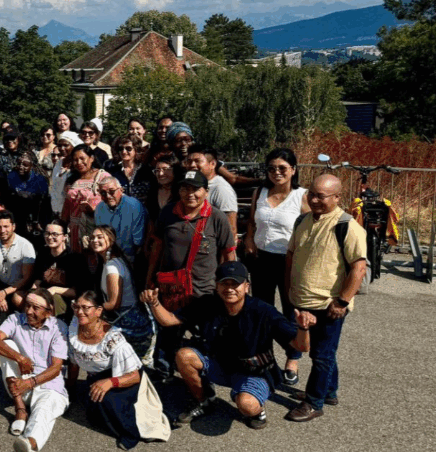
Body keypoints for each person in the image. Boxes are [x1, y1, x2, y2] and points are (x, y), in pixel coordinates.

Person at [142, 262, 314, 430]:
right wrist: (155, 303)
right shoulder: (208, 303)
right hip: (221, 364)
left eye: (235, 284)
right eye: (224, 283)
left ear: (247, 286)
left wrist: (303, 328)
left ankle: (256, 412)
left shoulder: (263, 312)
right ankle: (204, 401)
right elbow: (169, 320)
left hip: (254, 372)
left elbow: (301, 347)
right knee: (184, 355)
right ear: (217, 286)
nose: (229, 288)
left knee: (246, 405)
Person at [285, 174, 368, 422]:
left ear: (337, 197)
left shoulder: (347, 226)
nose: (314, 199)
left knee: (321, 354)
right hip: (302, 299)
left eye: (321, 196)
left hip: (329, 304)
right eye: (311, 193)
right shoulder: (303, 220)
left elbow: (359, 267)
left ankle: (314, 402)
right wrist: (290, 289)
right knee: (324, 353)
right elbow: (291, 254)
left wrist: (342, 301)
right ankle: (329, 392)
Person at [145, 169, 236, 375]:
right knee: (167, 332)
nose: (190, 194)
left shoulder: (217, 217)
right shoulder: (168, 213)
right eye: (185, 189)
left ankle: (200, 376)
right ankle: (164, 370)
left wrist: (230, 288)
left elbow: (229, 255)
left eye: (196, 189)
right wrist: (150, 278)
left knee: (204, 336)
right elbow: (157, 249)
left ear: (206, 191)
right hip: (171, 289)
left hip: (204, 292)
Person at [66, 290, 168, 450]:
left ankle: (131, 434)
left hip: (123, 376)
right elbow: (74, 362)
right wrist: (70, 390)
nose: (79, 312)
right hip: (96, 377)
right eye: (76, 307)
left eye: (86, 308)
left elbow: (135, 376)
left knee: (108, 401)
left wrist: (110, 382)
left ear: (99, 310)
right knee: (93, 404)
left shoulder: (114, 340)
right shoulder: (74, 327)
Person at [244, 148, 309, 386]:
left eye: (282, 168)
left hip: (288, 261)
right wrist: (249, 239)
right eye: (271, 168)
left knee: (290, 312)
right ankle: (265, 356)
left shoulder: (302, 196)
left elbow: (311, 229)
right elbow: (251, 222)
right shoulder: (260, 192)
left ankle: (293, 358)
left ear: (293, 170)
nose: (276, 173)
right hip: (261, 259)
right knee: (262, 310)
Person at [0, 289, 68, 452]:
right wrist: (19, 358)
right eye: (27, 306)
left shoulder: (59, 327)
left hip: (47, 386)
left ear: (49, 311)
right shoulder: (15, 319)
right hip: (18, 387)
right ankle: (20, 409)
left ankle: (26, 446)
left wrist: (30, 382)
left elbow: (56, 368)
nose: (29, 311)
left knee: (43, 414)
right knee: (5, 344)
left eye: (35, 308)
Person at [89, 226, 154, 365]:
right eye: (92, 237)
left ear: (111, 240)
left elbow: (113, 304)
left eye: (100, 237)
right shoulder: (114, 261)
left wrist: (91, 309)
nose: (95, 240)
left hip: (128, 324)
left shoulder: (112, 267)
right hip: (131, 318)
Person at [61, 144, 112, 258]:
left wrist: (93, 211)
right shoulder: (72, 179)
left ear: (92, 158)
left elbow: (113, 205)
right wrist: (61, 226)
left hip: (96, 231)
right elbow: (66, 207)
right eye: (75, 160)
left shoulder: (103, 177)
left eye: (82, 158)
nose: (79, 162)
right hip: (75, 231)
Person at [29, 221, 82, 315]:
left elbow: (76, 291)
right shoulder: (42, 254)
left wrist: (54, 289)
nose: (50, 237)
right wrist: (32, 294)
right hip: (44, 295)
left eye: (55, 234)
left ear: (64, 237)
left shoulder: (74, 259)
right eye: (47, 233)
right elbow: (37, 280)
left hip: (65, 300)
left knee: (54, 299)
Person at [185, 145, 238, 236]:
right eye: (189, 162)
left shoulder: (221, 188)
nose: (192, 165)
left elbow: (230, 229)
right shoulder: (189, 185)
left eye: (197, 161)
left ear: (212, 164)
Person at [93, 177, 147, 264]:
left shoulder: (134, 206)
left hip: (132, 257)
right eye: (103, 193)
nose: (108, 196)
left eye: (112, 191)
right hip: (108, 256)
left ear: (121, 190)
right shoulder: (99, 208)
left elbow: (138, 242)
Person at [7, 152, 50, 238]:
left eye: (25, 165)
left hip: (35, 215)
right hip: (18, 214)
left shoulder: (40, 179)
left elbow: (43, 203)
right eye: (19, 163)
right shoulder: (12, 176)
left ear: (32, 166)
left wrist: (36, 222)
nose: (21, 167)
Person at [104, 135, 153, 204]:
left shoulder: (146, 170)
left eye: (128, 148)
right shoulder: (113, 171)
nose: (124, 152)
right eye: (121, 148)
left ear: (136, 149)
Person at [48, 131, 78, 217]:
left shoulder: (77, 166)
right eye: (60, 145)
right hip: (56, 210)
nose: (62, 148)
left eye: (66, 145)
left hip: (72, 211)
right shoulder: (58, 164)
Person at [145, 152, 180, 226]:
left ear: (175, 170)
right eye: (157, 170)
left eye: (165, 169)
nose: (160, 174)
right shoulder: (153, 192)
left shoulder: (181, 192)